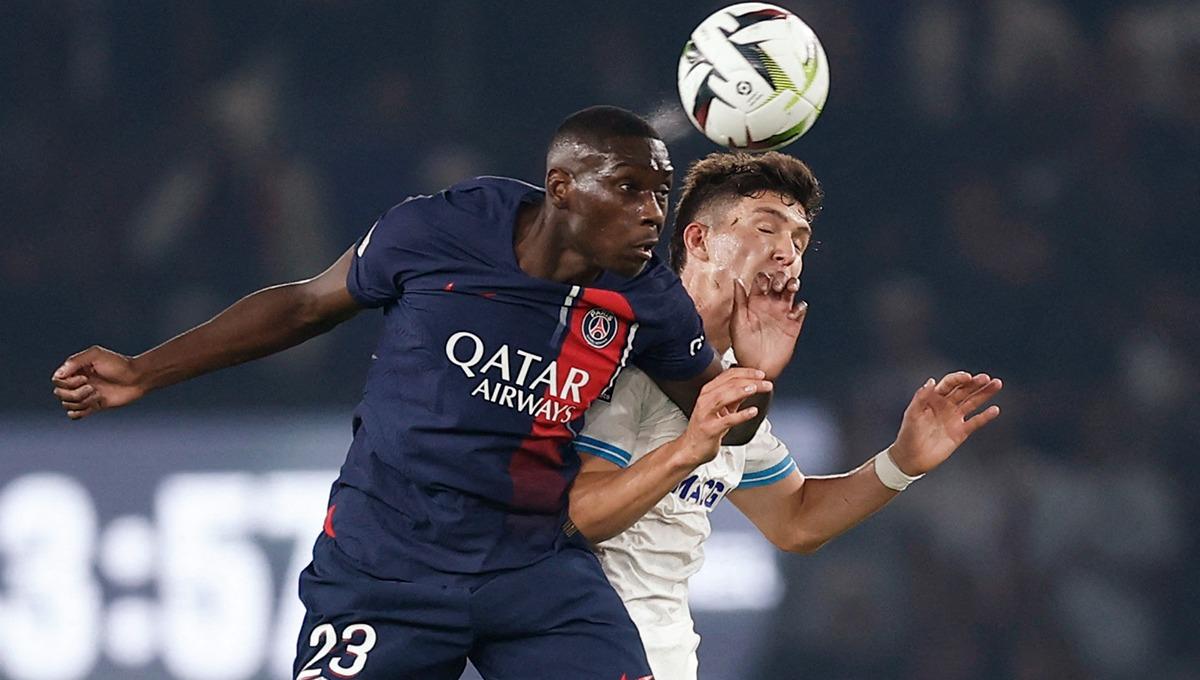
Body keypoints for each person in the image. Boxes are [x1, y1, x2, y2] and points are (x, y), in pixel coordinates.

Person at [50, 107, 806, 680]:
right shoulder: (442, 229)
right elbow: (305, 305)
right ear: (562, 188)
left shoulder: (649, 298)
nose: (651, 212)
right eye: (630, 189)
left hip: (533, 568)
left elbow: (725, 418)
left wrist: (756, 379)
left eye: (661, 194)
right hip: (387, 568)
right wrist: (144, 370)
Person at [568, 151, 1004, 680]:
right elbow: (578, 517)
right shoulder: (626, 352)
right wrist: (689, 448)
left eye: (798, 240)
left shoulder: (730, 381)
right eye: (765, 229)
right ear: (699, 240)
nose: (786, 254)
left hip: (664, 654)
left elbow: (795, 520)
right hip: (582, 642)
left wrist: (901, 461)